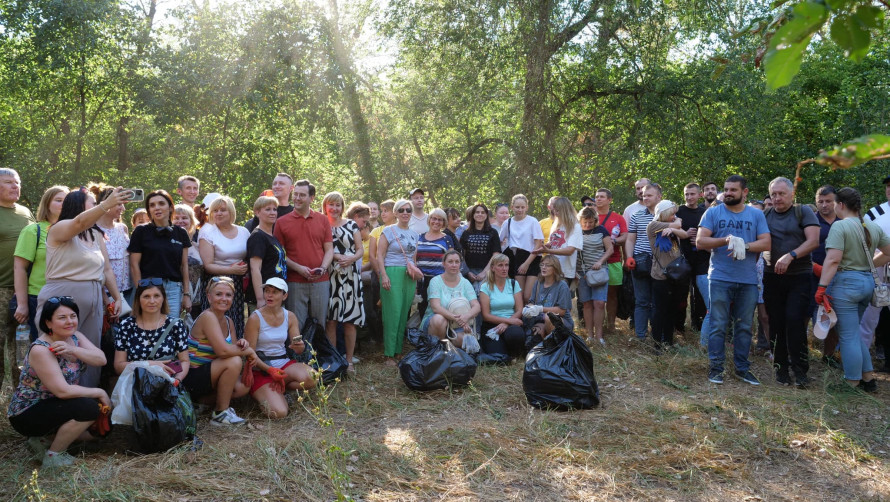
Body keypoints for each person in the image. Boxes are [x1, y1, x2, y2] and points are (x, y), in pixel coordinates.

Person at [39, 188, 130, 388]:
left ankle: (90, 401)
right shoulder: (59, 228)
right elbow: (79, 222)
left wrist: (117, 299)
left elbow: (106, 270)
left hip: (94, 298)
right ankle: (58, 395)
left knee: (90, 350)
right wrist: (106, 204)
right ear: (79, 206)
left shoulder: (96, 235)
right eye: (92, 203)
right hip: (62, 296)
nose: (97, 207)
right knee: (59, 347)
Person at [7, 296, 108, 469]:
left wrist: (73, 349)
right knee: (89, 408)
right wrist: (99, 392)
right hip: (29, 411)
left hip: (57, 405)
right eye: (62, 318)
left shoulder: (75, 336)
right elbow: (63, 391)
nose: (70, 321)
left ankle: (43, 440)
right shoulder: (41, 349)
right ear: (48, 323)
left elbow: (101, 359)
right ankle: (54, 456)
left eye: (73, 316)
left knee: (100, 431)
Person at [696, 175, 771, 386]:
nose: (728, 193)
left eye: (733, 190)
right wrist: (726, 240)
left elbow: (766, 243)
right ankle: (716, 367)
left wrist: (744, 246)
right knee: (718, 325)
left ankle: (742, 368)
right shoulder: (713, 212)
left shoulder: (756, 215)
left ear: (744, 192)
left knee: (745, 326)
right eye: (726, 189)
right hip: (720, 277)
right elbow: (701, 241)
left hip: (747, 280)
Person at [818, 187, 890, 392]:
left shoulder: (840, 227)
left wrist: (822, 287)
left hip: (847, 284)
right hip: (867, 283)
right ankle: (868, 378)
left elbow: (832, 260)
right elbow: (888, 252)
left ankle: (851, 381)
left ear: (840, 205)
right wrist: (869, 266)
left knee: (848, 335)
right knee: (854, 332)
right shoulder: (871, 226)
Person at [762, 177, 819, 387]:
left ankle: (801, 370)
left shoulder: (803, 211)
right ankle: (781, 369)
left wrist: (791, 255)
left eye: (781, 194)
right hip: (772, 276)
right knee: (775, 322)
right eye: (774, 194)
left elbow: (813, 241)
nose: (777, 198)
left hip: (799, 276)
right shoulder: (765, 214)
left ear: (792, 194)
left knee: (794, 321)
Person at [183, 277, 254, 425]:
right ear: (209, 297)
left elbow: (233, 349)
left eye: (228, 295)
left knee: (242, 388)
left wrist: (243, 344)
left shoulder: (229, 321)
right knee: (233, 361)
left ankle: (199, 402)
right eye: (218, 294)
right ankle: (220, 413)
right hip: (192, 375)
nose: (224, 299)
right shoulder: (207, 316)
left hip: (210, 375)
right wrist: (248, 352)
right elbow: (223, 352)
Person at [244, 278, 316, 418]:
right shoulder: (255, 318)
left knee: (314, 377)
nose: (269, 295)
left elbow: (298, 349)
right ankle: (268, 394)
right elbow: (249, 354)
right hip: (262, 368)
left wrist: (299, 347)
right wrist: (270, 370)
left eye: (275, 292)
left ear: (284, 296)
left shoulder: (290, 316)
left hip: (283, 363)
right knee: (279, 413)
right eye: (267, 291)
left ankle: (282, 389)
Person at [273, 179, 334, 328]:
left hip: (321, 281)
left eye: (302, 195)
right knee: (296, 325)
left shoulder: (323, 220)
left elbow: (329, 249)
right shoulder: (281, 222)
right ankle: (298, 352)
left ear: (311, 198)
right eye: (296, 194)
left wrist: (323, 268)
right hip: (295, 281)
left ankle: (318, 352)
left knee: (320, 325)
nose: (297, 198)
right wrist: (299, 268)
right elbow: (279, 254)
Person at [14, 186, 67, 341]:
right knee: (43, 346)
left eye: (66, 201)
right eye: (58, 200)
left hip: (68, 298)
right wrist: (22, 304)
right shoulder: (33, 230)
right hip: (38, 298)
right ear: (47, 204)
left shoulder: (76, 231)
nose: (63, 204)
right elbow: (19, 268)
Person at [128, 190, 192, 316]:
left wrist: (186, 294)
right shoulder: (141, 231)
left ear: (170, 207)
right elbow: (134, 265)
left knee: (170, 327)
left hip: (174, 289)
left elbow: (184, 266)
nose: (156, 208)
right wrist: (141, 291)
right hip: (149, 288)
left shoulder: (181, 233)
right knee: (148, 329)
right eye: (152, 205)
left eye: (161, 203)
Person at [113, 278, 190, 382]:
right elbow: (118, 366)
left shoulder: (176, 324)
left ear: (163, 298)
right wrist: (150, 364)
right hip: (135, 387)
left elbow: (184, 360)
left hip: (167, 385)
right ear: (138, 300)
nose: (152, 301)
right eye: (146, 296)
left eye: (156, 296)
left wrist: (177, 380)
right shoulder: (126, 325)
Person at [322, 192, 364, 373]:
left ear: (342, 207)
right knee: (331, 320)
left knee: (350, 320)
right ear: (325, 206)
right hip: (331, 276)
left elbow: (361, 250)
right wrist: (336, 256)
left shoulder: (352, 224)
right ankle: (334, 359)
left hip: (350, 276)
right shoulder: (322, 225)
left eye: (338, 205)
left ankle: (349, 361)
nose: (334, 208)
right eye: (331, 205)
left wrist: (351, 259)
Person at [1, 168, 35, 387]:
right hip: (1, 288)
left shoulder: (25, 212)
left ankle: (19, 392)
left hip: (27, 287)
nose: (16, 186)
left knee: (24, 345)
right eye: (9, 182)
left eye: (17, 182)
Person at [199, 195, 250, 339]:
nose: (218, 213)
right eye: (215, 210)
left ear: (231, 212)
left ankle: (236, 353)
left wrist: (242, 269)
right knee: (217, 320)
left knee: (236, 319)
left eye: (223, 210)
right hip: (215, 282)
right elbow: (208, 265)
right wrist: (231, 270)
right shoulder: (207, 232)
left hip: (238, 284)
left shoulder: (244, 231)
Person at [377, 199, 420, 365]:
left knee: (403, 313)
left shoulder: (414, 234)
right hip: (392, 272)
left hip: (408, 275)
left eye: (408, 210)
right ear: (395, 213)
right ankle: (388, 353)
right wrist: (384, 275)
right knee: (392, 313)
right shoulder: (388, 231)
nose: (405, 213)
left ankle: (398, 351)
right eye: (401, 210)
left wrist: (415, 281)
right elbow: (379, 255)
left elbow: (413, 259)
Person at [647, 200, 687, 351]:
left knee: (671, 309)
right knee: (659, 311)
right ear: (663, 214)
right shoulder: (653, 226)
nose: (674, 216)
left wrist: (673, 230)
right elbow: (678, 223)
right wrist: (674, 226)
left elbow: (682, 233)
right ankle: (656, 344)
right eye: (672, 213)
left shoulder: (671, 226)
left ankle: (668, 342)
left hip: (675, 275)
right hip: (660, 276)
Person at [420, 251, 481, 351]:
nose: (454, 265)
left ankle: (450, 351)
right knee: (439, 320)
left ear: (460, 264)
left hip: (459, 324)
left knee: (464, 342)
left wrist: (467, 316)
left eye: (457, 262)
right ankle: (437, 351)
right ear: (443, 264)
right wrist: (457, 318)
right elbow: (435, 307)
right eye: (450, 262)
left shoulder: (465, 282)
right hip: (436, 321)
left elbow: (476, 306)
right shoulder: (435, 281)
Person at [624, 183, 662, 342]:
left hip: (661, 264)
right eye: (644, 195)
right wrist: (629, 257)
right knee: (641, 300)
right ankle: (641, 336)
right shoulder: (637, 216)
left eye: (649, 195)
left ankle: (658, 334)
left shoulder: (667, 216)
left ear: (659, 197)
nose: (645, 198)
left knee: (659, 301)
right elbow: (630, 239)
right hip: (640, 262)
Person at [860, 176, 890, 365]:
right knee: (868, 317)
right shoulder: (874, 213)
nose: (889, 190)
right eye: (888, 186)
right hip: (877, 269)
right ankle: (861, 363)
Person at [676, 183, 710, 343]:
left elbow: (711, 234)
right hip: (682, 260)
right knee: (681, 295)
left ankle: (699, 326)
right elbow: (668, 230)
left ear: (700, 195)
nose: (689, 197)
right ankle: (679, 327)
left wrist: (699, 239)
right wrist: (684, 234)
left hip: (702, 260)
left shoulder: (705, 212)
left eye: (692, 194)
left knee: (701, 296)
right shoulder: (679, 212)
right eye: (686, 194)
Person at [811, 186, 839, 365]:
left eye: (828, 201)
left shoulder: (844, 221)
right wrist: (814, 267)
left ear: (836, 201)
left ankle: (828, 356)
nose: (824, 205)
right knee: (805, 313)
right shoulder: (811, 221)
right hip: (811, 274)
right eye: (820, 201)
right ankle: (802, 352)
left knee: (834, 315)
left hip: (838, 276)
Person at [576, 207, 612, 345]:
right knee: (586, 303)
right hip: (582, 272)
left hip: (599, 271)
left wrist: (600, 262)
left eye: (591, 222)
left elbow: (610, 249)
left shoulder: (601, 230)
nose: (587, 225)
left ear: (595, 220)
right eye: (585, 222)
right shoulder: (576, 231)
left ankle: (599, 336)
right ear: (580, 220)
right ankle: (589, 335)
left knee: (599, 302)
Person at [499, 194, 544, 303]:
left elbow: (538, 244)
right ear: (512, 207)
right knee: (519, 295)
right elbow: (499, 241)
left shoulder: (533, 221)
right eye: (517, 207)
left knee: (528, 296)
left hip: (532, 258)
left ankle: (531, 317)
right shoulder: (508, 222)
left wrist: (527, 263)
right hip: (517, 258)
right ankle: (521, 318)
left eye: (522, 207)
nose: (520, 210)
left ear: (527, 207)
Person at [479, 253, 525, 358]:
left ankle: (514, 353)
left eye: (506, 265)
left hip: (512, 322)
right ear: (492, 268)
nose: (504, 268)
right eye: (500, 265)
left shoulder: (513, 284)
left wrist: (507, 323)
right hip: (492, 325)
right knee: (498, 355)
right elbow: (486, 315)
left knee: (516, 335)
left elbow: (519, 310)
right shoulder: (485, 287)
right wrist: (506, 321)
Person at [593, 189, 627, 332]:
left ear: (609, 200)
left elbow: (625, 237)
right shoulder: (589, 216)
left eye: (602, 197)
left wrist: (614, 240)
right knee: (594, 296)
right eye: (596, 197)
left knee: (612, 294)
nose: (598, 199)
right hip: (594, 262)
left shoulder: (618, 218)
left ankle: (611, 325)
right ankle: (595, 326)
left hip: (614, 261)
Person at [91, 185, 131, 301]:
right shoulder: (92, 230)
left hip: (127, 292)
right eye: (119, 204)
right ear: (106, 203)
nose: (123, 208)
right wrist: (106, 299)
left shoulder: (122, 228)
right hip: (105, 294)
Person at [246, 196, 287, 308]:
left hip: (276, 296)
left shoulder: (272, 237)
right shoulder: (258, 237)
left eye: (274, 209)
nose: (272, 212)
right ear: (257, 212)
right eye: (267, 209)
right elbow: (255, 269)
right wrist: (260, 299)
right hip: (265, 299)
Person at [416, 208, 458, 315]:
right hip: (421, 282)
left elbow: (452, 260)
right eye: (434, 218)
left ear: (444, 223)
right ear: (429, 220)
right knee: (422, 309)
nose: (436, 222)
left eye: (440, 220)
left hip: (439, 281)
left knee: (437, 311)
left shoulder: (447, 239)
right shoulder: (419, 237)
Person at [526, 255, 574, 340]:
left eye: (547, 265)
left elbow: (562, 311)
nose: (544, 267)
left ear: (555, 268)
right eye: (542, 265)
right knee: (535, 334)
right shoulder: (538, 283)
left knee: (549, 317)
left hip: (561, 321)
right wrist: (528, 308)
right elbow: (532, 302)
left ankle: (555, 346)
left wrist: (540, 308)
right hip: (541, 320)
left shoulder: (562, 285)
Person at [537, 197, 582, 284]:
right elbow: (554, 242)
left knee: (561, 296)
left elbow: (570, 250)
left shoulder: (575, 226)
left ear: (565, 210)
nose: (555, 213)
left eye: (558, 211)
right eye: (554, 210)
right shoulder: (556, 225)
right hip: (552, 268)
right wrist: (545, 246)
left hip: (565, 271)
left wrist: (548, 250)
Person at [460, 203, 501, 292]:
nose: (480, 214)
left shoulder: (493, 232)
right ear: (473, 215)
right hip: (469, 272)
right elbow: (461, 255)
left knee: (484, 296)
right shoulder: (466, 233)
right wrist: (467, 272)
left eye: (482, 212)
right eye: (477, 212)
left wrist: (485, 272)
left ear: (486, 215)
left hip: (488, 271)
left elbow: (496, 254)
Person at [173, 204, 204, 316]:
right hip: (175, 297)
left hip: (198, 298)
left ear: (191, 221)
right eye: (176, 218)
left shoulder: (198, 245)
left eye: (184, 218)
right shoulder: (166, 246)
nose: (180, 221)